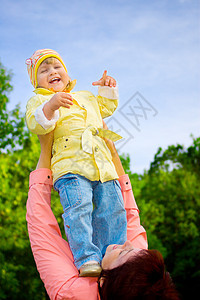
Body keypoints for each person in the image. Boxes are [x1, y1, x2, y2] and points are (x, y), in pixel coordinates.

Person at [26, 129, 179, 300]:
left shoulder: (71, 293)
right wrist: (111, 152)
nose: (127, 243)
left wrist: (46, 147)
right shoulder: (138, 264)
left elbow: (42, 230)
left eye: (122, 253)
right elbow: (129, 216)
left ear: (104, 281)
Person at [25, 49, 127, 276]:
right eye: (44, 70)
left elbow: (106, 107)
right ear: (36, 82)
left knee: (113, 210)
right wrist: (50, 106)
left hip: (102, 165)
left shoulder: (85, 96)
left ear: (67, 74)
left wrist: (107, 87)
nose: (52, 71)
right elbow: (36, 123)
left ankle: (114, 256)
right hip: (70, 166)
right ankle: (87, 258)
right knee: (78, 211)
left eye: (57, 67)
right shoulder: (39, 100)